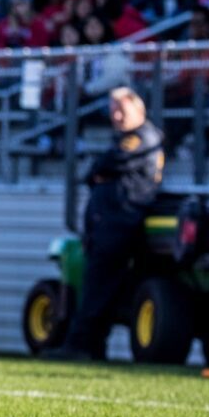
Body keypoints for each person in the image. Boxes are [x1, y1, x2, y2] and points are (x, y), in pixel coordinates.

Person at [53, 88, 164, 361]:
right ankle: (91, 347)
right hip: (111, 225)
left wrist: (101, 172)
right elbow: (96, 172)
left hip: (119, 225)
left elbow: (107, 163)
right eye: (112, 110)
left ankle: (79, 346)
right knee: (97, 286)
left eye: (121, 110)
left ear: (139, 110)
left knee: (98, 288)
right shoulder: (130, 139)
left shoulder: (143, 138)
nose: (115, 116)